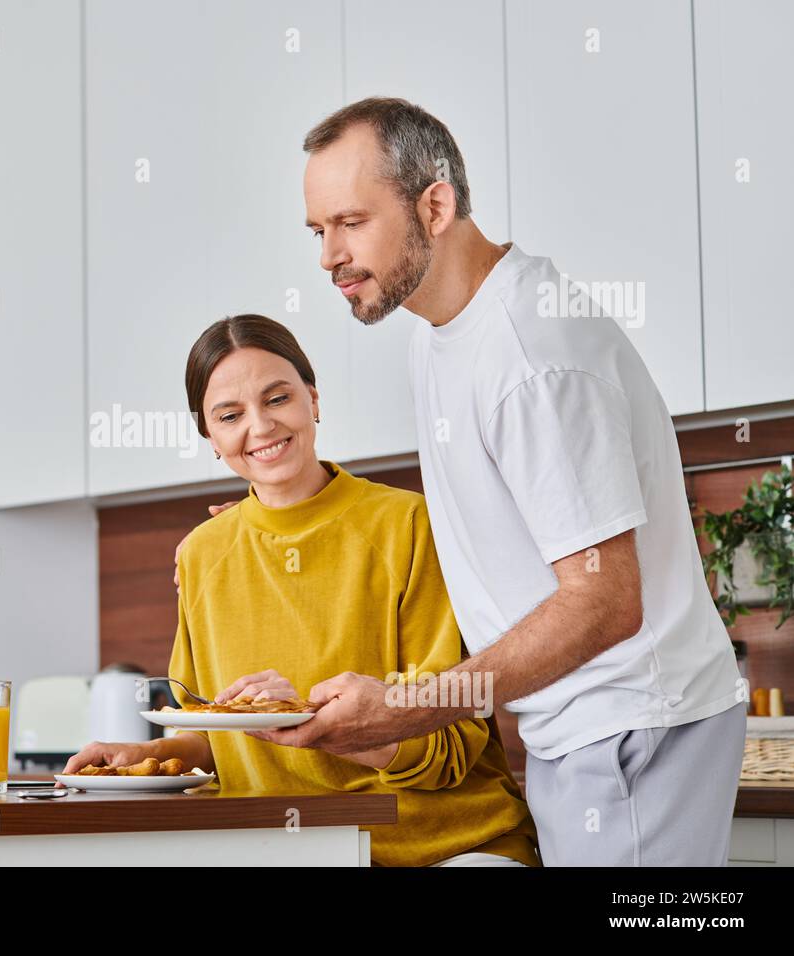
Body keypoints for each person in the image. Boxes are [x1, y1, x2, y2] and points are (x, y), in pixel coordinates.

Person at [179, 97, 746, 866]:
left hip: (633, 726)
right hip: (577, 729)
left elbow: (604, 600)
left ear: (435, 204)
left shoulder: (530, 356)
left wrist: (407, 706)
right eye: (319, 232)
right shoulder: (443, 333)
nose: (328, 257)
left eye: (351, 223)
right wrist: (263, 528)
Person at [66, 313, 539, 867]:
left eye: (277, 398)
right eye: (230, 415)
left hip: (446, 847)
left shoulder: (413, 527)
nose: (261, 426)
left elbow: (447, 750)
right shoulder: (202, 553)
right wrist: (147, 756)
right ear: (210, 436)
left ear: (312, 399)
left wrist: (310, 724)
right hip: (288, 850)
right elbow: (219, 738)